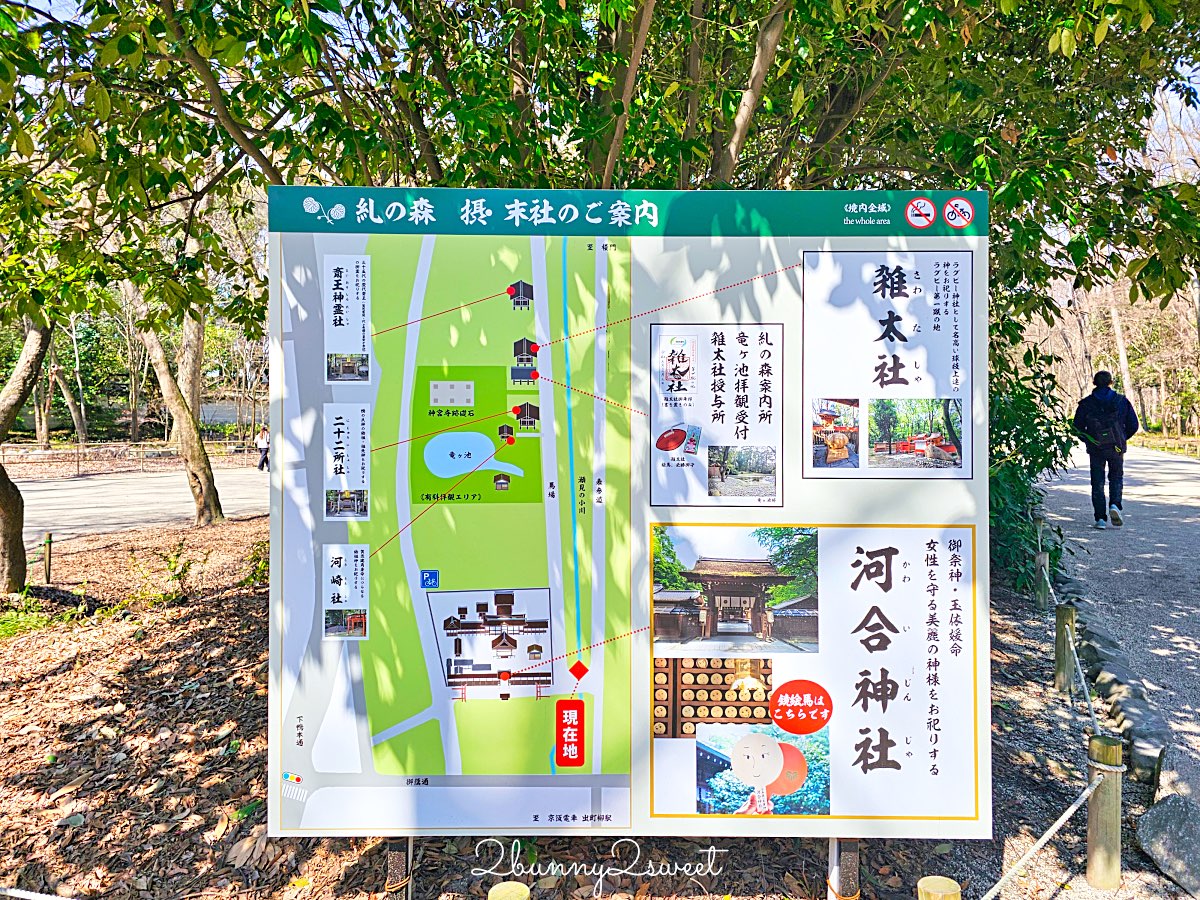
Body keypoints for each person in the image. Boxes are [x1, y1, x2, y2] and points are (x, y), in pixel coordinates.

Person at [1072, 371, 1139, 529]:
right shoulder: (1122, 401)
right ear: (1111, 382)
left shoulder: (1086, 404)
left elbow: (1076, 428)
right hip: (1116, 447)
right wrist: (1121, 437)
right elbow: (1133, 425)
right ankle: (1115, 505)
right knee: (1116, 477)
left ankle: (1100, 519)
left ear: (1094, 383)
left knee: (1097, 482)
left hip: (1096, 448)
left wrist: (1090, 440)